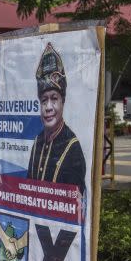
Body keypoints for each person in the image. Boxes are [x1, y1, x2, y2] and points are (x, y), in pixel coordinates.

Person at [26, 42, 87, 195]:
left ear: (63, 101)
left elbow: (76, 204)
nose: (48, 107)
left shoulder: (72, 147)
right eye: (44, 100)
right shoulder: (37, 141)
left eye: (54, 99)